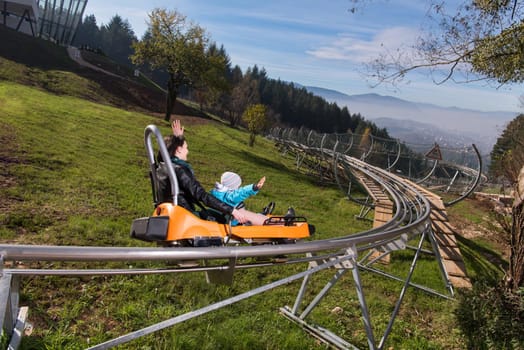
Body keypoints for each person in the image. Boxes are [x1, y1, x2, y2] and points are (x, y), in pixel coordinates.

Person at [164, 120, 268, 225]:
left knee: (230, 212)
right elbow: (202, 196)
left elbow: (164, 154)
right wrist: (231, 210)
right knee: (236, 215)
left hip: (178, 214)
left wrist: (178, 139)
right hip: (189, 218)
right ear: (178, 150)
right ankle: (269, 224)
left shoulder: (164, 167)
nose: (187, 151)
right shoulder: (181, 171)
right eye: (186, 148)